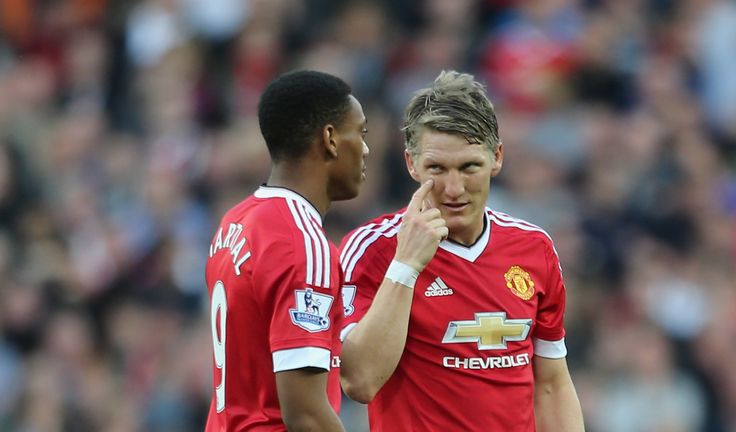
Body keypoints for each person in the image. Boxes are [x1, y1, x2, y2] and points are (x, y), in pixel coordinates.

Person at [338, 71, 585, 431]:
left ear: (497, 157)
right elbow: (359, 381)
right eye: (436, 168)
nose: (454, 189)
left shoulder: (534, 248)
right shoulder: (372, 250)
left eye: (470, 167)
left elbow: (551, 384)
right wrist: (405, 266)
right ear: (411, 164)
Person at [204, 70, 376, 431]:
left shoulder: (236, 222)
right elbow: (306, 415)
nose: (365, 149)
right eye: (359, 133)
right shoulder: (302, 244)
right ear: (330, 138)